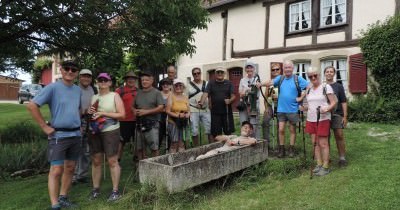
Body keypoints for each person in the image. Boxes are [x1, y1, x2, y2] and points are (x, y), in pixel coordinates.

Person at [27, 60, 82, 210]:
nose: (70, 71)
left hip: (76, 135)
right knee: (56, 170)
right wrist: (44, 126)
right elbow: (32, 105)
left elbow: (76, 109)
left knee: (70, 168)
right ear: (61, 70)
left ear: (77, 73)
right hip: (59, 135)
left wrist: (79, 123)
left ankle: (63, 197)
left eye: (74, 69)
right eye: (67, 68)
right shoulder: (53, 88)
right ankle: (55, 204)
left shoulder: (78, 90)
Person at [259, 60, 309, 158]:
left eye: (289, 67)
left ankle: (291, 149)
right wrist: (261, 84)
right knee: (281, 130)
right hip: (281, 109)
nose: (287, 69)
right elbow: (270, 82)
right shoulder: (280, 78)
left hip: (293, 109)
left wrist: (301, 97)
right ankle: (282, 150)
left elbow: (308, 86)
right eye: (286, 68)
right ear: (284, 69)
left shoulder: (297, 78)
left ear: (292, 68)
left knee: (292, 130)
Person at [88, 73, 125, 201]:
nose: (102, 82)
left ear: (110, 83)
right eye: (100, 80)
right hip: (95, 131)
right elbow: (92, 113)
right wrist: (90, 112)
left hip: (110, 130)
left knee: (112, 161)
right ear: (97, 82)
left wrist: (102, 113)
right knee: (96, 160)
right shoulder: (94, 97)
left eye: (105, 80)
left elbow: (122, 115)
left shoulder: (115, 96)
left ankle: (115, 191)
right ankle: (95, 189)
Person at [301, 68, 336, 176]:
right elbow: (308, 105)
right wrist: (303, 108)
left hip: (323, 118)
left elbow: (333, 102)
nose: (313, 78)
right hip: (311, 119)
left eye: (315, 75)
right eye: (310, 76)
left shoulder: (326, 87)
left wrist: (327, 108)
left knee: (323, 143)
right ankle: (319, 164)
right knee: (315, 143)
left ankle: (326, 166)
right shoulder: (309, 89)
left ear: (319, 75)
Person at [133, 70, 164, 160]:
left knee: (154, 147)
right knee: (140, 148)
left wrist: (146, 112)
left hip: (153, 123)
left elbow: (161, 107)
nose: (144, 82)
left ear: (151, 81)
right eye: (142, 80)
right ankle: (141, 167)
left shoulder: (157, 92)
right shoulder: (138, 93)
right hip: (139, 124)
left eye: (146, 80)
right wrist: (134, 111)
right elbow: (132, 106)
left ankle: (155, 166)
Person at [200, 66, 236, 140]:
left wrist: (230, 100)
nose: (220, 73)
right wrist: (201, 102)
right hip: (215, 112)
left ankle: (229, 148)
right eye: (218, 72)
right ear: (215, 74)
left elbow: (234, 96)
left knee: (228, 132)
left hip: (226, 112)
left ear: (224, 74)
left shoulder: (229, 83)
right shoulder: (211, 83)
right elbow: (206, 93)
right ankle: (218, 149)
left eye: (221, 72)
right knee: (216, 134)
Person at [72, 69, 95, 185]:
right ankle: (73, 177)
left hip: (90, 122)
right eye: (84, 76)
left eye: (88, 77)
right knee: (76, 150)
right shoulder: (74, 89)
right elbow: (72, 108)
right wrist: (83, 113)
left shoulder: (92, 89)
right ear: (79, 77)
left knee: (86, 150)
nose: (86, 79)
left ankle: (82, 175)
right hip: (78, 122)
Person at [324, 66, 348, 167]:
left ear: (334, 74)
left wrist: (345, 116)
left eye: (331, 72)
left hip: (337, 114)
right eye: (327, 72)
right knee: (325, 137)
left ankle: (342, 158)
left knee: (339, 135)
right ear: (324, 73)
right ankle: (327, 158)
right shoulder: (322, 86)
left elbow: (343, 101)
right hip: (324, 115)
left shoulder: (339, 86)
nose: (329, 73)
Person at [115, 71, 138, 163]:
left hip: (136, 120)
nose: (131, 80)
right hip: (123, 120)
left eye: (132, 78)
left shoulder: (138, 91)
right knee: (121, 141)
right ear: (125, 80)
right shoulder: (119, 91)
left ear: (135, 80)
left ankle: (136, 159)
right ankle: (117, 160)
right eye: (129, 78)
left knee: (137, 141)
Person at [187, 67, 212, 146]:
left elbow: (210, 95)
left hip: (205, 109)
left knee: (209, 129)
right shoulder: (188, 85)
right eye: (195, 74)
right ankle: (196, 149)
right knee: (194, 130)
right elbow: (185, 98)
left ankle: (211, 147)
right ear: (192, 75)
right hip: (193, 109)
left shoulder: (207, 83)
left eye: (198, 73)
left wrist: (210, 105)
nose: (197, 75)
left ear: (201, 73)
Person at [166, 79, 190, 153]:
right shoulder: (171, 96)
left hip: (183, 123)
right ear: (174, 87)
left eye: (180, 85)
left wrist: (188, 114)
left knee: (181, 143)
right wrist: (178, 115)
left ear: (183, 87)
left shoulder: (185, 97)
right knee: (174, 143)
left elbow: (188, 110)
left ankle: (181, 161)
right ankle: (171, 162)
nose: (178, 87)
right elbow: (167, 111)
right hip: (173, 123)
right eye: (176, 85)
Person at [238, 61, 261, 139]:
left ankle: (256, 141)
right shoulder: (242, 80)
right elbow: (240, 93)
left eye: (251, 67)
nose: (249, 69)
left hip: (253, 106)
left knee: (254, 125)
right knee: (244, 124)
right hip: (244, 105)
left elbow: (256, 90)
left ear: (254, 68)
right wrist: (246, 91)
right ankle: (245, 143)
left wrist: (246, 90)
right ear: (245, 69)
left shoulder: (257, 79)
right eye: (247, 67)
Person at [262, 64, 280, 149]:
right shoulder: (269, 82)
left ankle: (280, 145)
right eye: (273, 70)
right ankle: (267, 144)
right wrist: (266, 108)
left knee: (280, 125)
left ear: (280, 70)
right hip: (270, 105)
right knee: (265, 122)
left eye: (277, 69)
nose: (275, 71)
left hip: (280, 106)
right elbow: (265, 96)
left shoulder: (283, 80)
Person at [159, 78, 172, 153]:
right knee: (160, 135)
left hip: (171, 116)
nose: (165, 85)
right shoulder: (158, 94)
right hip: (160, 117)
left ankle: (170, 151)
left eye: (167, 84)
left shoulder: (173, 93)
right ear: (161, 85)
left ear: (170, 85)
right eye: (164, 84)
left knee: (170, 135)